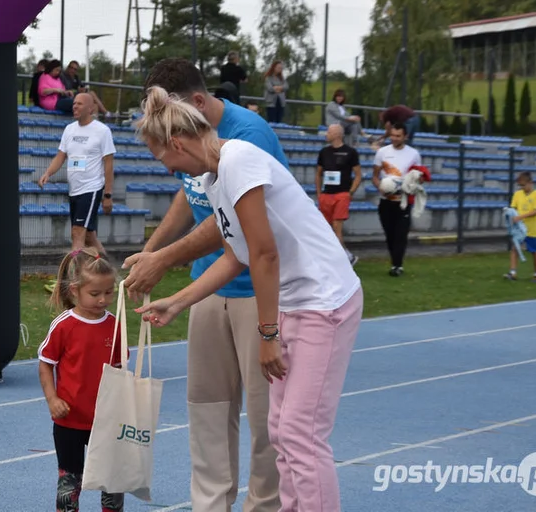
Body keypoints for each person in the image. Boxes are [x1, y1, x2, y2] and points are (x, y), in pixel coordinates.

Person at [133, 87, 363, 512]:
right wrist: (178, 301)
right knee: (281, 429)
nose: (164, 167)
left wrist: (267, 334)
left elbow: (264, 252)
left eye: (160, 156)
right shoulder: (212, 178)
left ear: (177, 143)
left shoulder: (238, 159)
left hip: (325, 300)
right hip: (297, 301)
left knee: (301, 434)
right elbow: (236, 254)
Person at [121, 58, 283, 512]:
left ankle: (265, 506)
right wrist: (152, 250)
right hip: (209, 286)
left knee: (269, 418)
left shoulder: (248, 137)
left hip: (257, 288)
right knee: (207, 407)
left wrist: (165, 260)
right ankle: (210, 506)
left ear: (195, 102)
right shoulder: (186, 138)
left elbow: (230, 220)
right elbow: (189, 194)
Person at [38, 247, 124, 512]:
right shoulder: (64, 325)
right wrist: (52, 399)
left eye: (109, 292)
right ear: (75, 290)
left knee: (112, 480)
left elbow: (119, 368)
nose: (103, 300)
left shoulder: (115, 324)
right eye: (95, 294)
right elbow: (45, 364)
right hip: (69, 420)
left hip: (105, 420)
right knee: (70, 479)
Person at [37, 93, 115, 254]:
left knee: (77, 233)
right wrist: (48, 173)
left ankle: (74, 276)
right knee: (89, 237)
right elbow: (61, 156)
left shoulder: (102, 131)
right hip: (74, 189)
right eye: (74, 104)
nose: (74, 106)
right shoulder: (69, 129)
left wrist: (107, 195)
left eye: (79, 104)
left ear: (90, 108)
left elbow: (108, 164)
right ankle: (110, 274)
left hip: (91, 188)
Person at [372, 121, 422, 277]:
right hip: (385, 201)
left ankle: (397, 265)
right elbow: (374, 176)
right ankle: (395, 262)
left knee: (401, 234)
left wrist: (412, 185)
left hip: (403, 202)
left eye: (398, 136)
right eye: (392, 135)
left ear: (405, 136)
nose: (394, 138)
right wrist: (380, 187)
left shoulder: (413, 154)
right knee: (390, 235)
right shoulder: (382, 152)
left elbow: (418, 178)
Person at [316, 124, 362, 266]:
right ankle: (343, 257)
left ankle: (345, 258)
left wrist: (350, 193)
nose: (326, 134)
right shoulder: (323, 152)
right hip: (326, 195)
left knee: (337, 227)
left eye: (328, 132)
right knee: (325, 229)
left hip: (341, 194)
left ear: (337, 134)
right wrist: (319, 194)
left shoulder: (350, 152)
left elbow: (358, 175)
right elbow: (318, 174)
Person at [505, 172, 536, 282]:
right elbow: (513, 209)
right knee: (514, 249)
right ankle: (513, 272)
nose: (522, 188)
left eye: (523, 185)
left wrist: (520, 217)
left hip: (531, 229)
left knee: (534, 251)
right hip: (519, 229)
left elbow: (535, 211)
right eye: (520, 185)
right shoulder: (517, 194)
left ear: (530, 183)